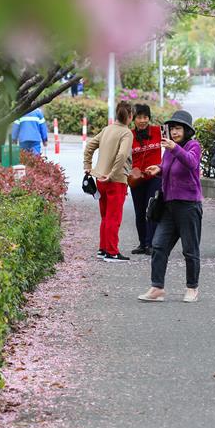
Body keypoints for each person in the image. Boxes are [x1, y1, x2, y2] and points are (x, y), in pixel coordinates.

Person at [138, 110, 203, 303]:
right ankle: (157, 288)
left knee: (190, 249)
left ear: (186, 130)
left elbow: (191, 163)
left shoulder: (193, 146)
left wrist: (174, 147)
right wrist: (159, 168)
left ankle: (192, 288)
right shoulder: (169, 149)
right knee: (158, 246)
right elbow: (171, 168)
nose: (174, 132)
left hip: (189, 205)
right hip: (168, 205)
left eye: (178, 128)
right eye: (172, 128)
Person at [83, 101, 134, 262]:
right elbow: (122, 155)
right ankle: (112, 252)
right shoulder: (126, 133)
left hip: (100, 179)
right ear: (130, 116)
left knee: (105, 216)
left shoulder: (107, 129)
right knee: (114, 217)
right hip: (116, 180)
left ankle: (103, 249)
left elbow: (90, 145)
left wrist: (88, 166)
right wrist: (112, 174)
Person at [128, 104, 162, 255]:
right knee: (139, 211)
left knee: (152, 208)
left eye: (145, 117)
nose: (142, 121)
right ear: (133, 119)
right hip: (136, 178)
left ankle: (152, 243)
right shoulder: (129, 135)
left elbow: (173, 141)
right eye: (139, 118)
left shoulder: (157, 131)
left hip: (155, 177)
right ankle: (143, 243)